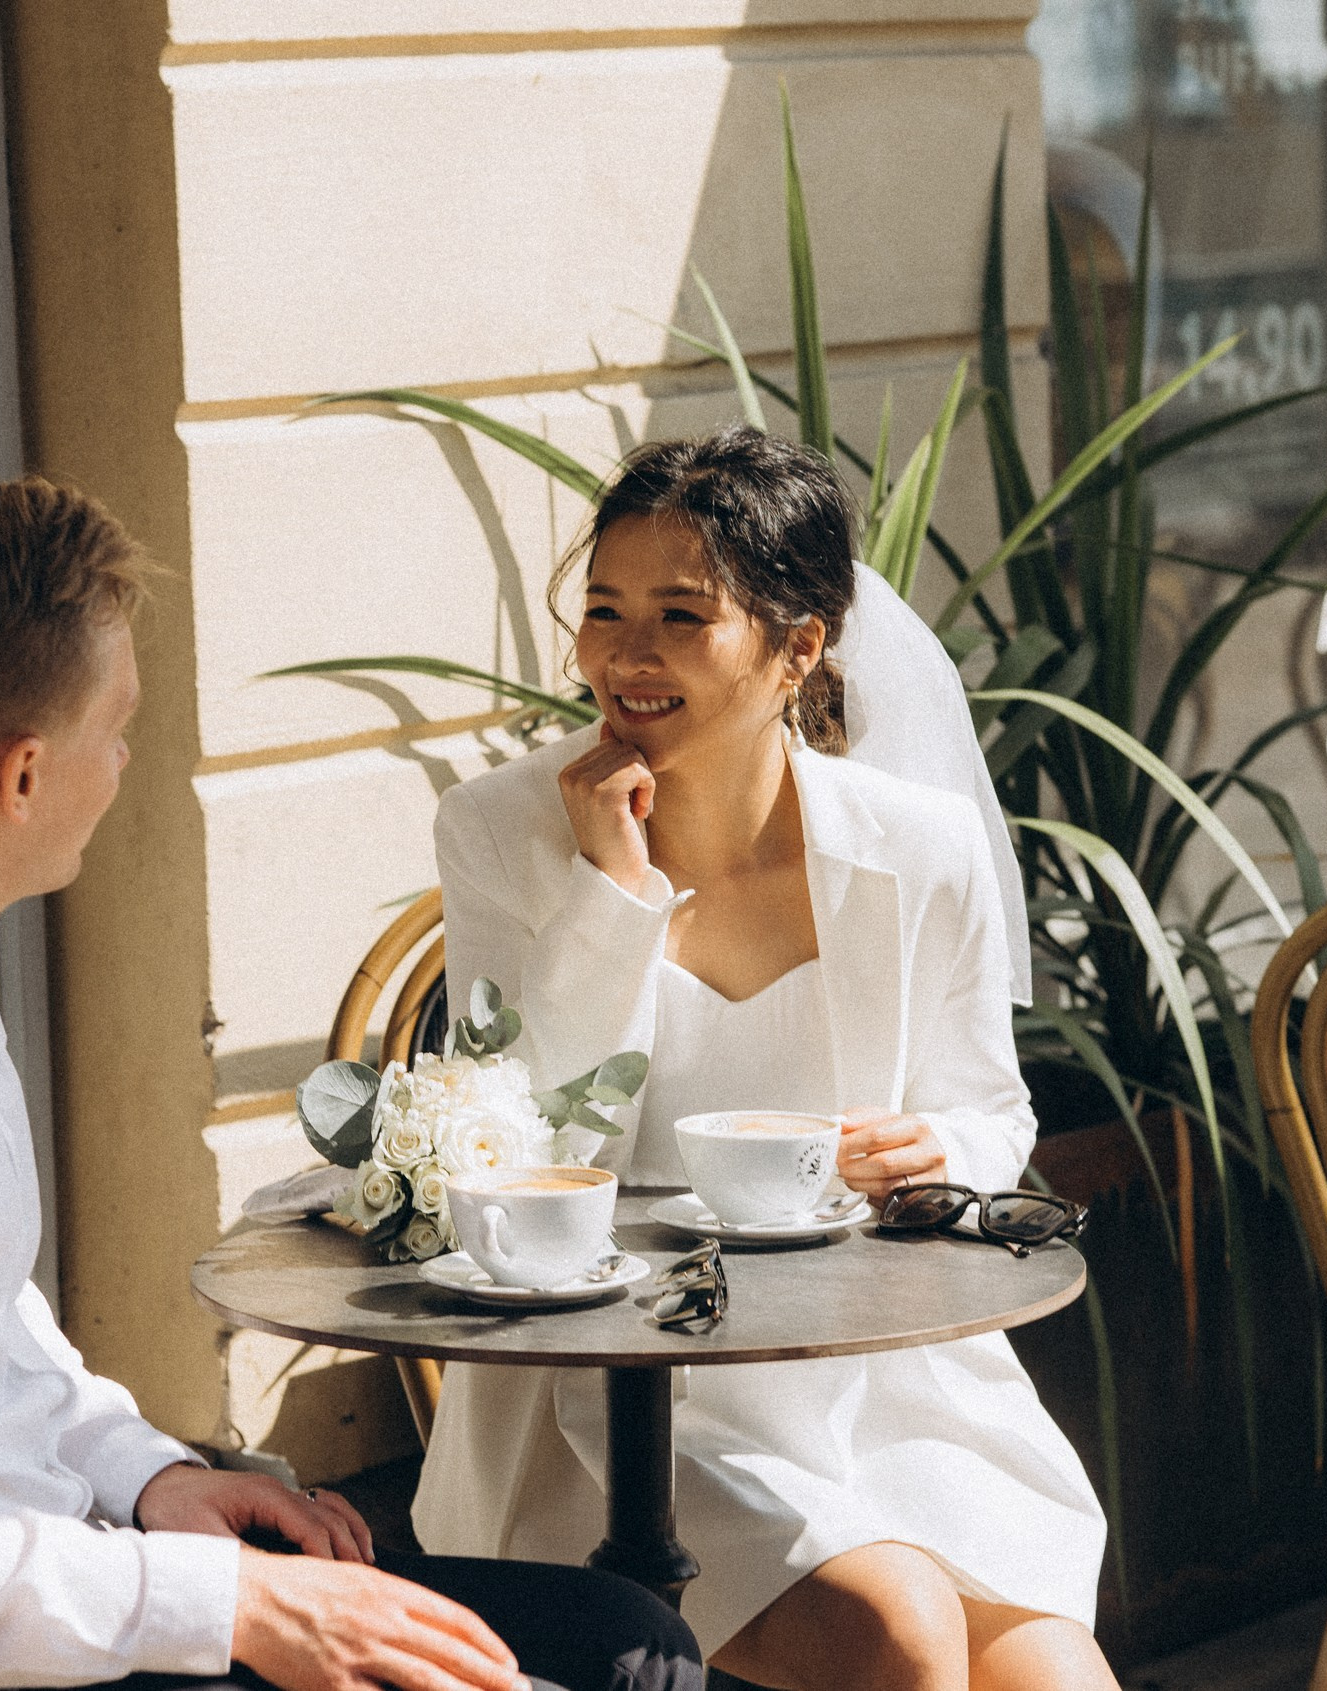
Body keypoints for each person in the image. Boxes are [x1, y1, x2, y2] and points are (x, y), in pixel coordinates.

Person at [0, 480, 705, 1691]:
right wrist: (238, 1605)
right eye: (118, 728)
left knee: (628, 1639)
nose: (123, 764)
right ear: (23, 775)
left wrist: (150, 1475)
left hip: (21, 1582)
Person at [408, 429, 1118, 1691]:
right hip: (612, 1401)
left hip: (876, 1377)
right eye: (604, 612)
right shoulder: (501, 833)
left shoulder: (923, 847)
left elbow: (986, 1107)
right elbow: (531, 1153)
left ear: (799, 648)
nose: (626, 658)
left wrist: (934, 1148)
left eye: (683, 617)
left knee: (1055, 1677)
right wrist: (609, 897)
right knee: (896, 1627)